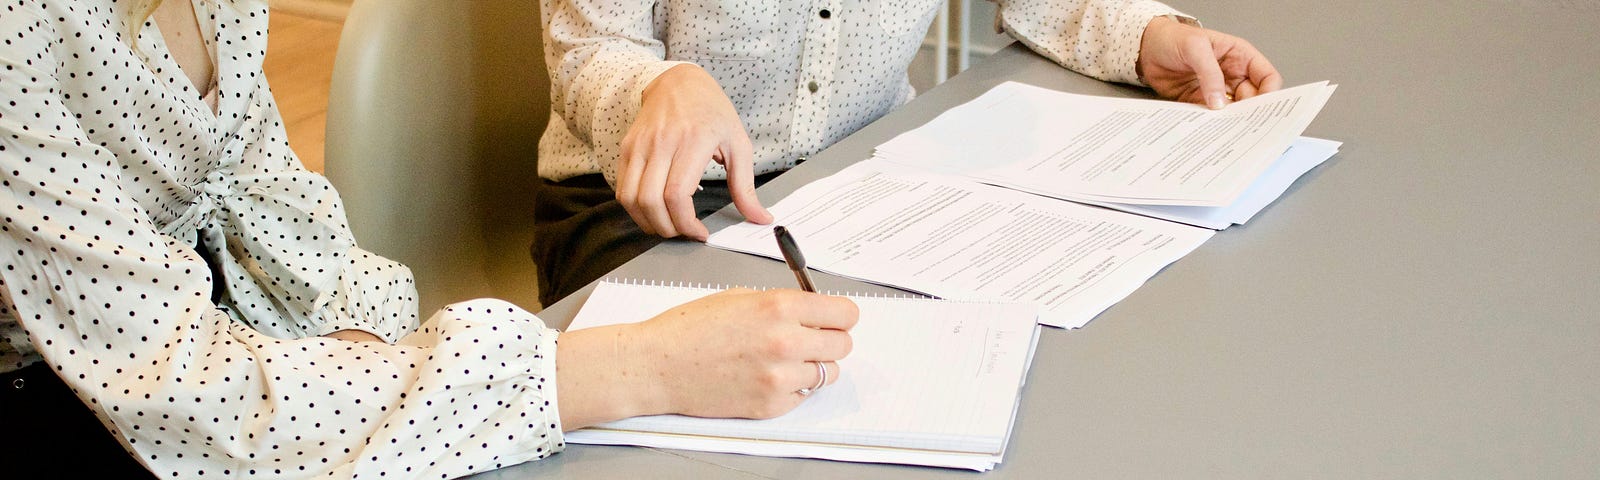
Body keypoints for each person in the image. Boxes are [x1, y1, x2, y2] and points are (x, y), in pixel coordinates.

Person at [0, 0, 858, 477]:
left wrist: (366, 352)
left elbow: (273, 204)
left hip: (197, 337)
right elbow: (188, 391)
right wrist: (643, 367)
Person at [532, 0, 1285, 305]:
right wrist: (663, 86)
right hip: (640, 200)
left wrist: (1151, 39)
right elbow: (586, 47)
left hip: (859, 175)